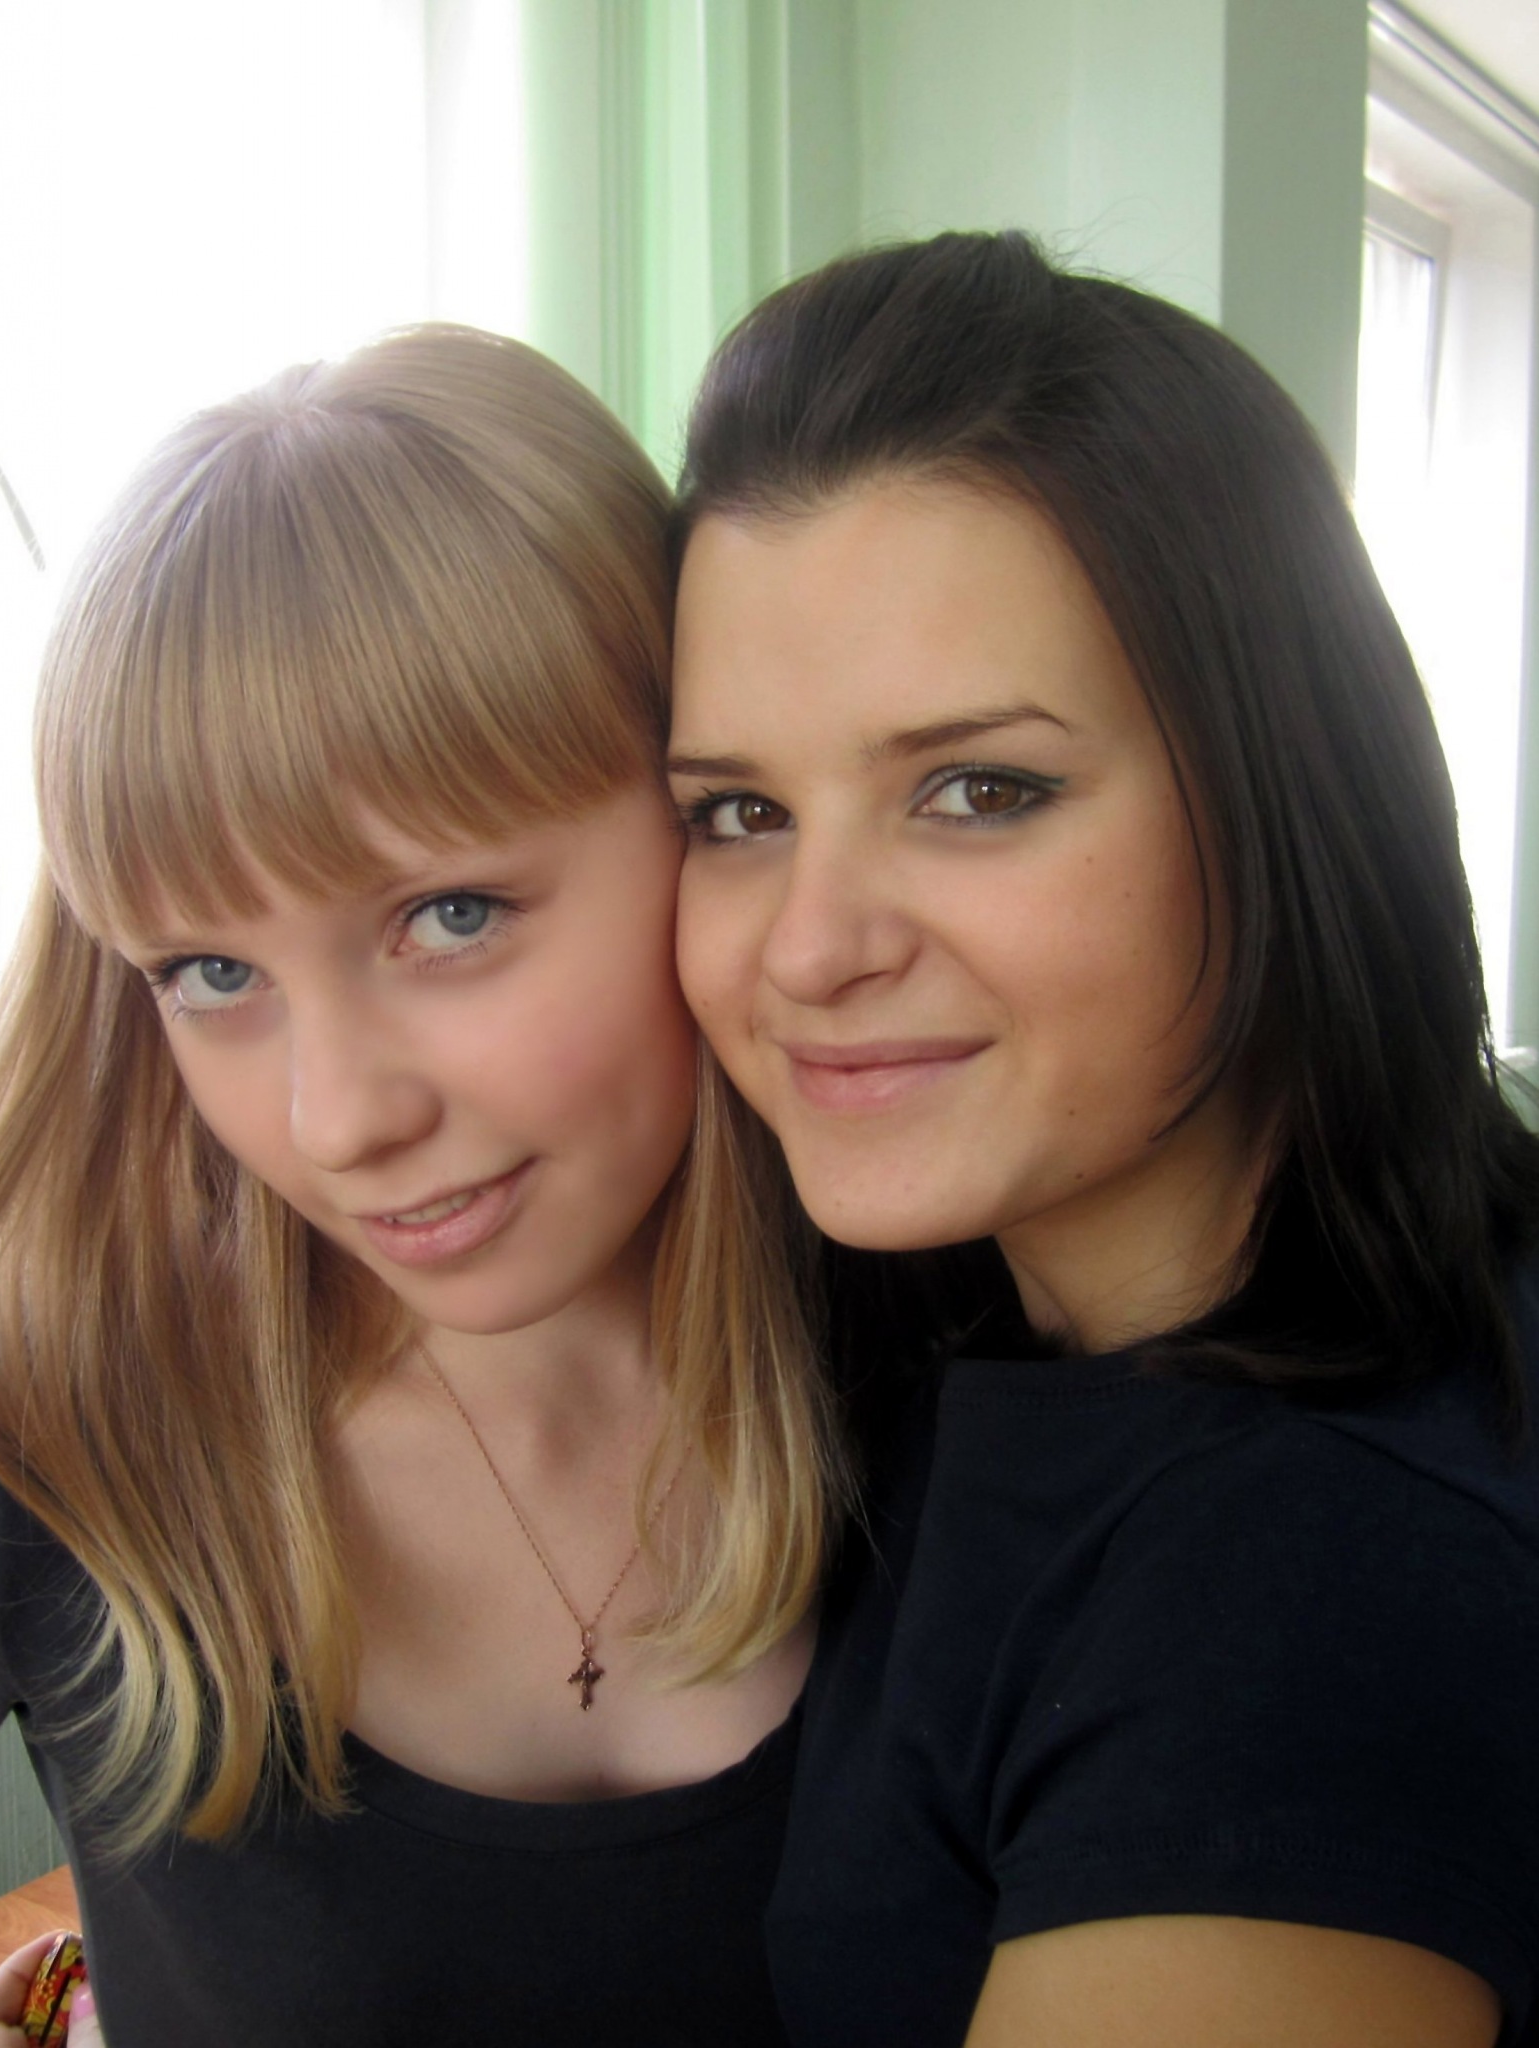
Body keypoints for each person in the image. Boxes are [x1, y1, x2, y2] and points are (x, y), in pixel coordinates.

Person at [0, 322, 844, 2048]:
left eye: (450, 916)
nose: (335, 1121)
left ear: (707, 819)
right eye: (210, 973)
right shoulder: (45, 1432)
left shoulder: (970, 1356)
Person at [665, 230, 1539, 2048]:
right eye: (739, 813)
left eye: (980, 790)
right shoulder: (999, 1328)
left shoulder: (1316, 1586)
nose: (811, 949)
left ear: (1285, 790)